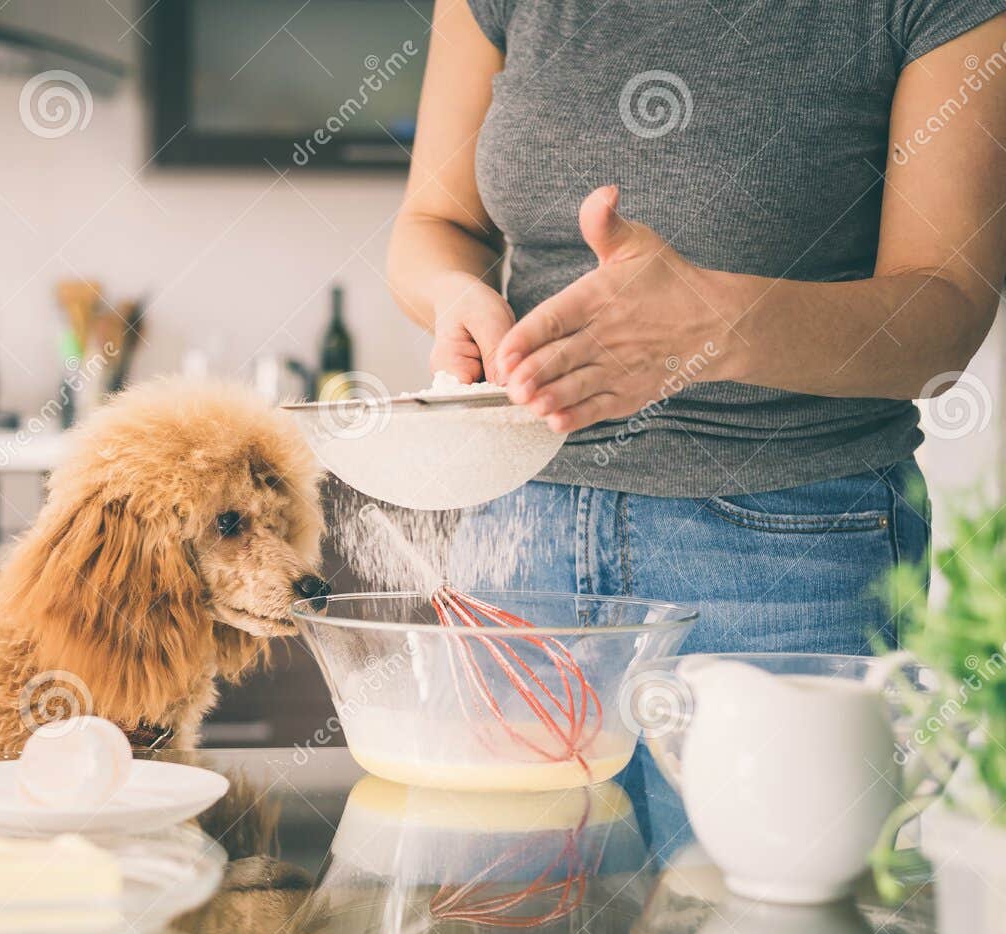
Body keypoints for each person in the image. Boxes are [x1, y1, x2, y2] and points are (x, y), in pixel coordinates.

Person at [387, 0, 1006, 856]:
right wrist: (460, 298)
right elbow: (433, 225)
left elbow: (945, 318)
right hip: (517, 532)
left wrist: (717, 324)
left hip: (786, 545)